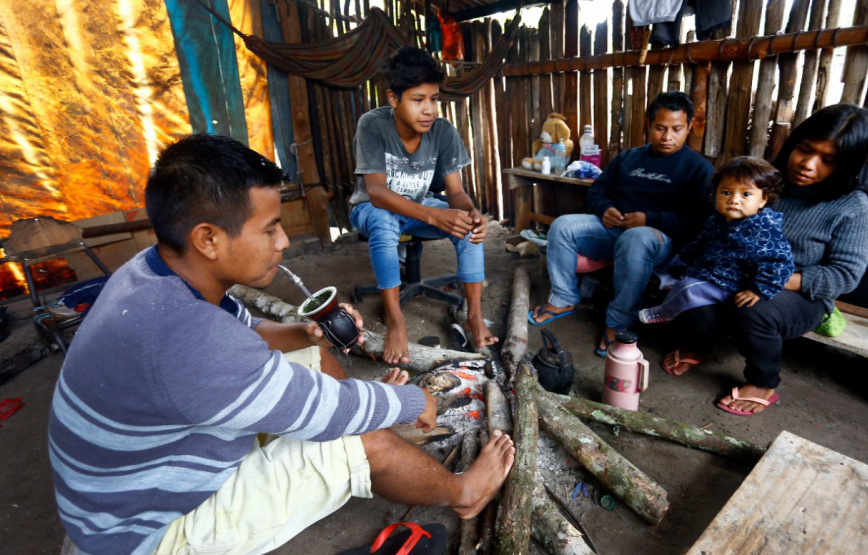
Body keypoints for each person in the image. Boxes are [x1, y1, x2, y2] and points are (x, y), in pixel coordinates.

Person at [48, 134, 515, 555]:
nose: (284, 241)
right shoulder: (188, 338)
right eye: (269, 228)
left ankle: (380, 433)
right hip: (145, 534)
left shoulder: (152, 271)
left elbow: (245, 333)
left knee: (311, 358)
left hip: (120, 494)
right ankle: (464, 495)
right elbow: (317, 405)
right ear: (207, 239)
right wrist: (411, 398)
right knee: (363, 439)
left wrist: (303, 333)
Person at [662, 103, 868, 416]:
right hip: (735, 277)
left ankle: (763, 381)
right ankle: (700, 346)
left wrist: (767, 283)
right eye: (805, 150)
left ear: (846, 165)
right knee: (692, 292)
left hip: (800, 293)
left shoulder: (852, 207)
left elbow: (844, 275)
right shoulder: (762, 182)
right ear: (793, 143)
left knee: (753, 308)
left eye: (827, 160)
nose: (808, 165)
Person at [528, 91, 715, 357]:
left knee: (636, 238)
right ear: (649, 125)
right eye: (660, 128)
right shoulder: (629, 158)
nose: (667, 136)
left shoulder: (699, 169)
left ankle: (618, 323)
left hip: (659, 241)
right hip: (613, 229)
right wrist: (605, 209)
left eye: (676, 129)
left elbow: (700, 221)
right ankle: (564, 299)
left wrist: (650, 219)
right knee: (563, 226)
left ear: (689, 128)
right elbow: (596, 192)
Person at [349, 46, 497, 365]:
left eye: (434, 99)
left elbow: (455, 192)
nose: (429, 109)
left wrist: (469, 212)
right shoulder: (372, 125)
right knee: (383, 221)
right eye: (418, 100)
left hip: (417, 206)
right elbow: (376, 192)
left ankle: (473, 315)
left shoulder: (443, 132)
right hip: (371, 209)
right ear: (393, 99)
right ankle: (396, 320)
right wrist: (434, 214)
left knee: (468, 226)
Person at [639, 156, 794, 326]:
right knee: (665, 271)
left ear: (763, 199)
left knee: (689, 288)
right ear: (716, 194)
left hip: (729, 283)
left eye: (746, 194)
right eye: (726, 192)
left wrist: (758, 290)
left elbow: (780, 264)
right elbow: (702, 242)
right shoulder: (717, 220)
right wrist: (684, 258)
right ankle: (666, 286)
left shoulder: (763, 232)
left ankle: (665, 312)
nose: (734, 200)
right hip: (707, 269)